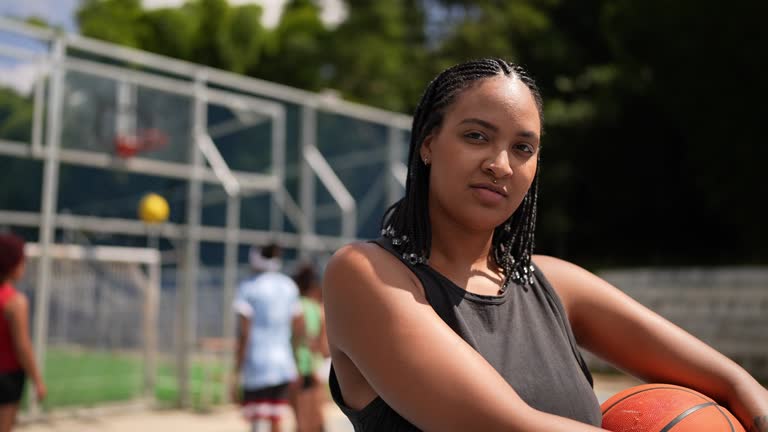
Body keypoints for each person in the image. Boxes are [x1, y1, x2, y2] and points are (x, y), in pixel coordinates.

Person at [321, 58, 768, 431]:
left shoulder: (553, 283)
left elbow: (736, 385)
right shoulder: (365, 274)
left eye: (523, 148)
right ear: (428, 144)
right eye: (476, 136)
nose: (500, 165)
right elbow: (509, 426)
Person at [232, 243, 304, 432]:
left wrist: (236, 369)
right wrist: (296, 361)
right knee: (276, 417)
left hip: (256, 361)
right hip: (283, 362)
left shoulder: (248, 287)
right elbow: (298, 328)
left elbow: (244, 333)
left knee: (257, 418)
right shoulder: (288, 286)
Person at [0, 233, 46, 432]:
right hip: (7, 377)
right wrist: (37, 380)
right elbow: (22, 346)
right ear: (13, 264)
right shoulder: (15, 302)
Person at [290, 262, 329, 432]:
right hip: (316, 365)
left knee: (301, 417)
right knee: (317, 413)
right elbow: (323, 345)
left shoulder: (297, 307)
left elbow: (296, 339)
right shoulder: (319, 308)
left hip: (301, 365)